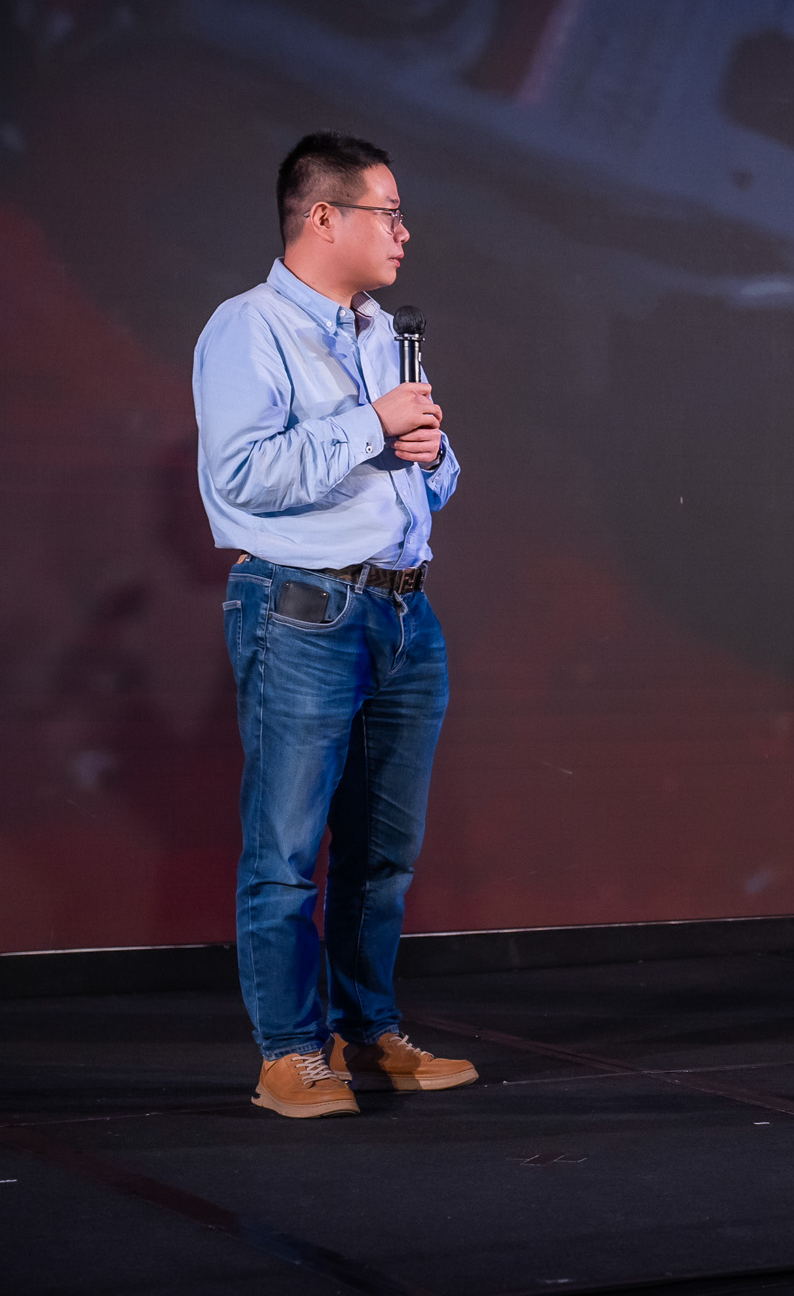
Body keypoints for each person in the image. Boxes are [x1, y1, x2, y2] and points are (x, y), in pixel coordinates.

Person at [194, 131, 477, 1116]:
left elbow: (421, 475)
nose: (404, 232)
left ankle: (369, 1033)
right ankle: (289, 1055)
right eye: (387, 212)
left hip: (402, 612)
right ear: (324, 216)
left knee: (381, 852)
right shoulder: (249, 328)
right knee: (286, 851)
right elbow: (241, 477)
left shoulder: (381, 331)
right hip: (302, 610)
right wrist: (373, 427)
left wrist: (431, 453)